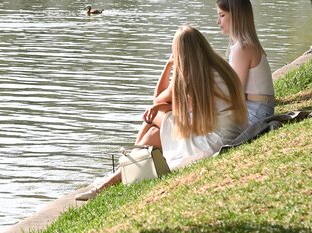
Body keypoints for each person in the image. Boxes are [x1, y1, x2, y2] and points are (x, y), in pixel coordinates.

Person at [75, 25, 248, 201]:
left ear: (179, 53)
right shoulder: (221, 68)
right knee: (153, 132)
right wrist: (159, 106)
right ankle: (121, 171)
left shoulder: (191, 76)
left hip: (211, 141)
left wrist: (168, 65)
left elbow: (157, 99)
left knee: (151, 120)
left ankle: (119, 171)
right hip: (230, 132)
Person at [216, 0, 275, 125]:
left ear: (236, 17)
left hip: (255, 112)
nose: (218, 21)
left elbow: (235, 92)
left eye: (222, 15)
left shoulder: (243, 48)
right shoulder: (241, 46)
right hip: (256, 109)